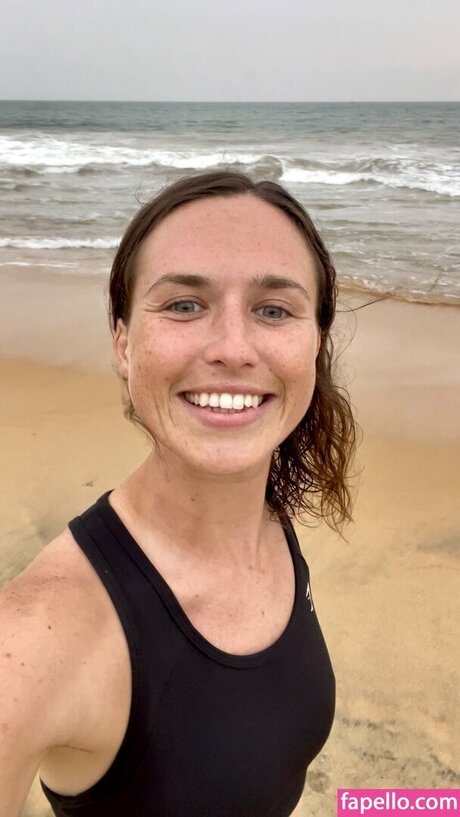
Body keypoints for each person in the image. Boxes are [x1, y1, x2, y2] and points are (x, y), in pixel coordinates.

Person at [0, 171, 356, 817]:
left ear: (315, 343)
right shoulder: (38, 636)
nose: (233, 349)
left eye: (274, 309)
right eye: (185, 305)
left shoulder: (269, 516)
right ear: (123, 344)